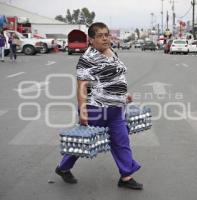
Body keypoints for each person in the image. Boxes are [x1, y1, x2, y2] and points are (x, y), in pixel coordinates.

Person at [55, 22, 143, 190]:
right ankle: (63, 167)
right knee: (84, 142)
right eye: (100, 36)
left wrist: (124, 95)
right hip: (96, 109)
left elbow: (115, 78)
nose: (105, 38)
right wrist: (82, 111)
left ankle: (126, 176)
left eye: (107, 34)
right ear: (91, 39)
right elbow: (82, 86)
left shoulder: (112, 52)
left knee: (121, 140)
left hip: (117, 108)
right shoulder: (87, 59)